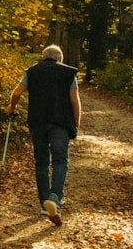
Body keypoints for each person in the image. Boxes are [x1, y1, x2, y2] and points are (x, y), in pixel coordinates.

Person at [6, 44, 81, 226]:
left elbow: (17, 92)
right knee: (60, 161)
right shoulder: (68, 73)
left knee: (41, 162)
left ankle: (43, 202)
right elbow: (74, 100)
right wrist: (76, 124)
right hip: (60, 123)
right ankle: (54, 198)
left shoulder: (32, 71)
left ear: (43, 57)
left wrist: (11, 108)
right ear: (60, 59)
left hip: (38, 122)